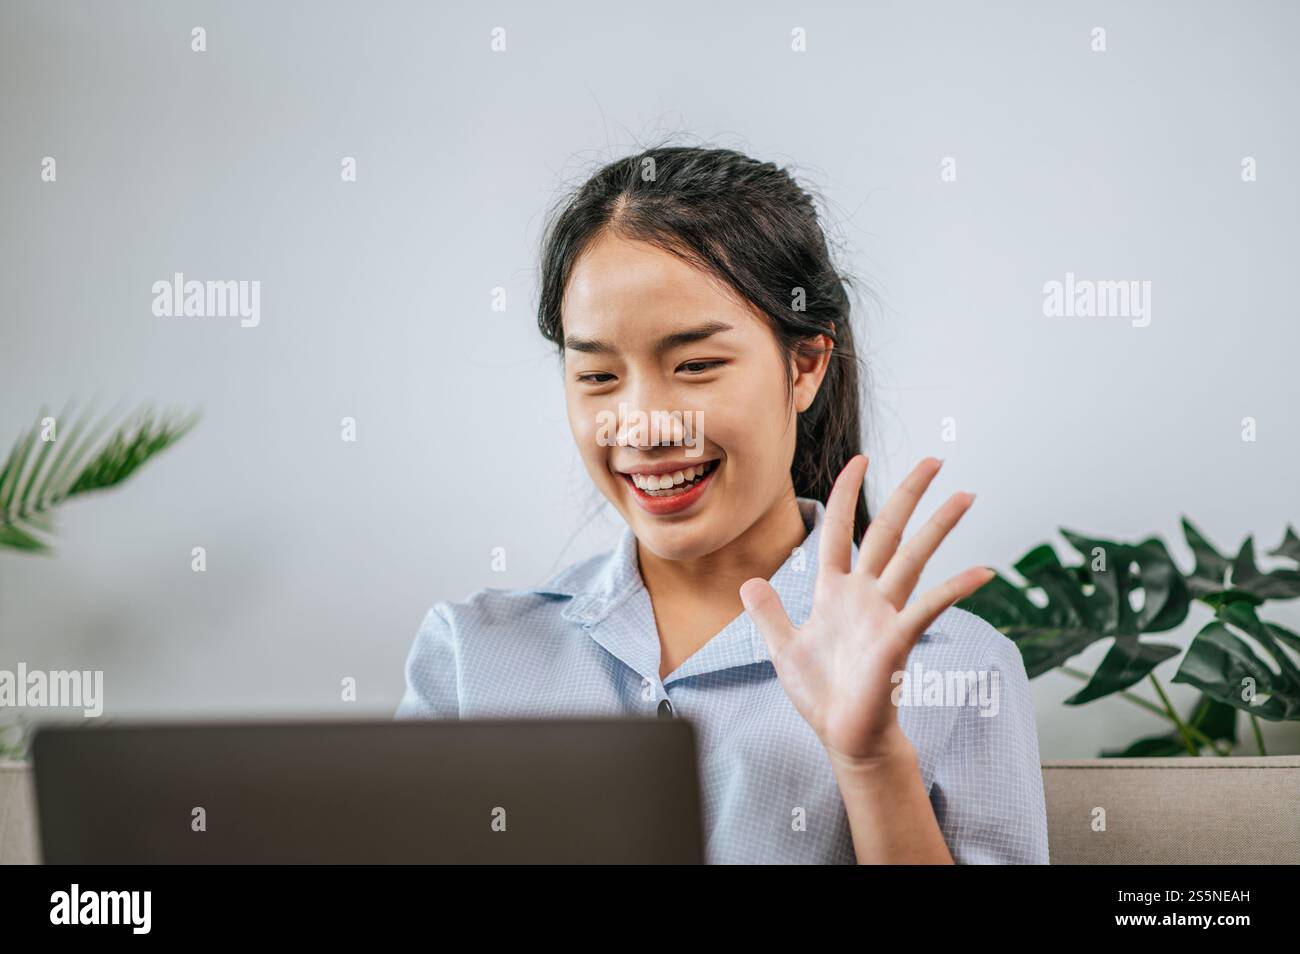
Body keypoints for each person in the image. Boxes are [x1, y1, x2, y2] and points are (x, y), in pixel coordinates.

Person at [397, 145, 1049, 864]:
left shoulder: (956, 669)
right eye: (597, 375)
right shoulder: (471, 653)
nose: (642, 424)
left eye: (697, 366)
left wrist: (872, 765)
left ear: (804, 366)